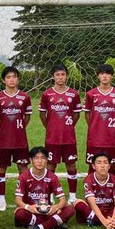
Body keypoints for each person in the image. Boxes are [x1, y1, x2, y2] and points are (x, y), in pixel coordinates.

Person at [39, 64, 82, 203]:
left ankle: (72, 195)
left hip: (69, 138)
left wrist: (68, 126)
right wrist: (50, 127)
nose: (60, 77)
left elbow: (76, 115)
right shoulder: (46, 94)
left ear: (66, 76)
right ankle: (49, 194)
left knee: (71, 165)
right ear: (53, 77)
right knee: (51, 165)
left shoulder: (74, 94)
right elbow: (42, 114)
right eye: (57, 74)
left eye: (63, 74)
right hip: (52, 138)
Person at [0, 66, 32, 211]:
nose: (11, 79)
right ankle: (2, 200)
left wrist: (19, 128)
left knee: (23, 168)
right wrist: (3, 130)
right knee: (1, 168)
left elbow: (27, 117)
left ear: (18, 79)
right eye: (8, 77)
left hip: (20, 140)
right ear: (4, 80)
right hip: (3, 141)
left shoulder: (25, 97)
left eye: (14, 76)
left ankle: (25, 197)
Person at [13, 146, 75, 229]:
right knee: (20, 213)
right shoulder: (23, 176)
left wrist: (56, 207)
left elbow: (63, 200)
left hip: (47, 211)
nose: (40, 161)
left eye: (43, 158)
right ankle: (55, 222)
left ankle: (39, 227)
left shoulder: (52, 177)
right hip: (31, 211)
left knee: (70, 209)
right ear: (31, 160)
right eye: (36, 158)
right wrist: (29, 207)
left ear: (47, 160)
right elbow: (18, 200)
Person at [74, 153, 115, 229]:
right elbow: (92, 203)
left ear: (109, 166)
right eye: (99, 163)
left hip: (110, 211)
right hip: (95, 211)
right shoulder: (88, 179)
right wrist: (104, 221)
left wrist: (113, 219)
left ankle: (96, 222)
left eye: (105, 163)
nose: (102, 166)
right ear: (93, 166)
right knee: (77, 202)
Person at [82, 64, 115, 175]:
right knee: (92, 165)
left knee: (111, 166)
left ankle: (111, 186)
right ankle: (91, 186)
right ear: (98, 76)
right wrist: (93, 126)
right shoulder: (90, 94)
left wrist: (113, 127)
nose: (104, 76)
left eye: (107, 74)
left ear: (112, 76)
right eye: (102, 74)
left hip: (111, 138)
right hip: (94, 138)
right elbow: (87, 114)